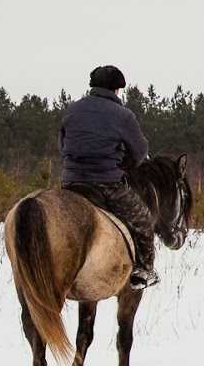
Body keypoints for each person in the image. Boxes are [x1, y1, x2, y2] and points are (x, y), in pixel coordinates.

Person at [60, 65, 154, 288]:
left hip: (71, 183)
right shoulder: (123, 115)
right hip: (106, 183)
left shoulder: (72, 110)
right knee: (143, 220)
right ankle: (144, 270)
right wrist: (124, 166)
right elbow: (140, 152)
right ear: (116, 89)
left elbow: (62, 146)